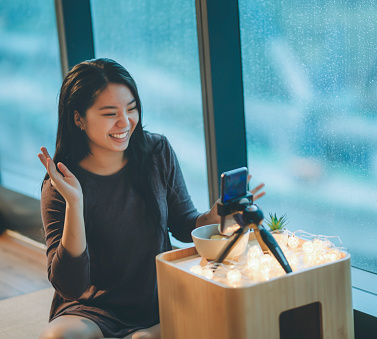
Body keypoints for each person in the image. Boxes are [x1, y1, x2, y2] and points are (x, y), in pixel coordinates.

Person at [37, 58, 265, 339]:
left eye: (131, 108)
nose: (125, 122)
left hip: (158, 298)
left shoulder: (156, 151)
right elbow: (70, 286)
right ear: (78, 118)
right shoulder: (59, 185)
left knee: (146, 337)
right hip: (92, 308)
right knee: (57, 337)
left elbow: (184, 224)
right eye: (110, 113)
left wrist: (217, 214)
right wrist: (75, 203)